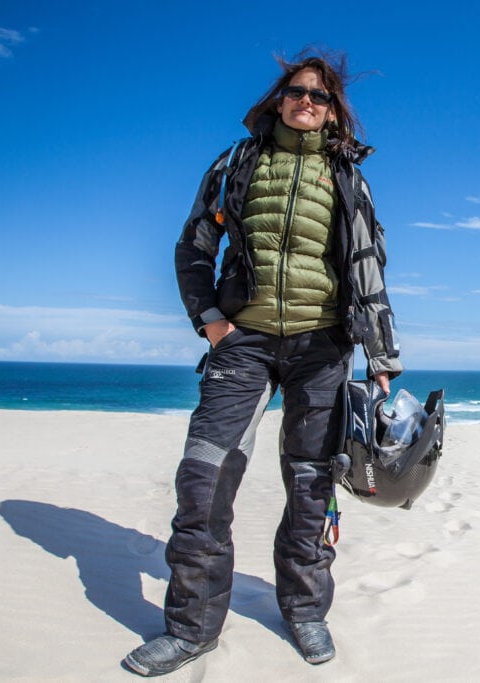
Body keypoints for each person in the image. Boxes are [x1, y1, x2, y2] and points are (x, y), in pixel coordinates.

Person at [124, 49, 402, 677]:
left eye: (320, 96)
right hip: (242, 342)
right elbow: (194, 244)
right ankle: (191, 629)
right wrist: (211, 323)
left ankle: (305, 611)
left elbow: (369, 270)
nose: (307, 102)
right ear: (278, 99)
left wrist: (382, 355)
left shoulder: (349, 177)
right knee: (203, 479)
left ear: (334, 112)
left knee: (311, 485)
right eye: (297, 92)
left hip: (322, 347)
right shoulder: (236, 163)